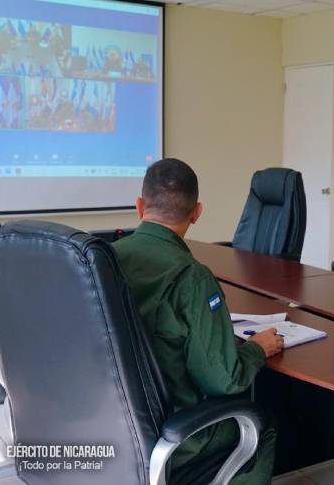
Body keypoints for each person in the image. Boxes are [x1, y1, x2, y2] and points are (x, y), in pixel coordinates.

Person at [113, 158, 283, 484]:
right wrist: (256, 349)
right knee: (262, 425)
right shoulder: (192, 277)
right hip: (175, 436)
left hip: (117, 426)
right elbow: (223, 380)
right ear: (197, 212)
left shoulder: (106, 259)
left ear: (139, 206)